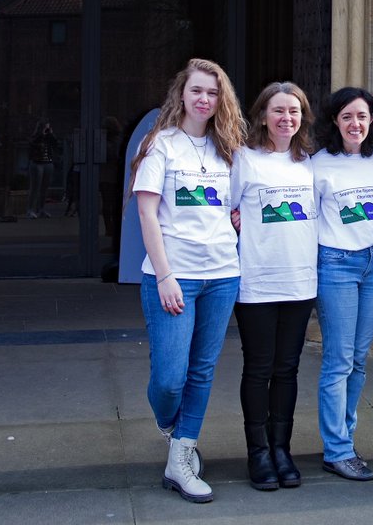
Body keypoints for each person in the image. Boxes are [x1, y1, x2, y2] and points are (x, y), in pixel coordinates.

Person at [128, 58, 245, 504]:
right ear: (182, 94)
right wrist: (164, 275)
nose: (204, 99)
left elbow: (237, 206)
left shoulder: (229, 148)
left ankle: (181, 454)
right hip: (173, 276)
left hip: (222, 275)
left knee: (202, 370)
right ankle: (170, 424)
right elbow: (146, 211)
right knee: (170, 379)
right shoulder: (161, 145)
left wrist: (237, 217)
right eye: (197, 90)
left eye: (213, 93)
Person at [229, 82, 318, 491]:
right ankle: (258, 453)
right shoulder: (243, 161)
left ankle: (282, 449)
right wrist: (232, 220)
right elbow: (223, 209)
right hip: (257, 282)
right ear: (263, 115)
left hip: (300, 281)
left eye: (294, 111)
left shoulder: (310, 163)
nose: (287, 118)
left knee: (287, 369)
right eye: (279, 110)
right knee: (259, 367)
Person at [311, 87, 373, 482]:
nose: (355, 124)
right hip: (337, 264)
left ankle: (343, 437)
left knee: (359, 359)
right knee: (339, 359)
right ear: (334, 122)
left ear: (372, 120)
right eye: (346, 117)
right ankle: (338, 449)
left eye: (362, 116)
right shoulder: (318, 164)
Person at [26, 119, 59, 218]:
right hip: (37, 163)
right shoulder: (35, 137)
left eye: (48, 127)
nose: (47, 130)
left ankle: (41, 209)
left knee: (44, 188)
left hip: (48, 162)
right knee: (35, 188)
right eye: (45, 127)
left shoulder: (49, 137)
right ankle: (30, 210)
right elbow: (32, 143)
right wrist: (42, 134)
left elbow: (55, 143)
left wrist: (51, 134)